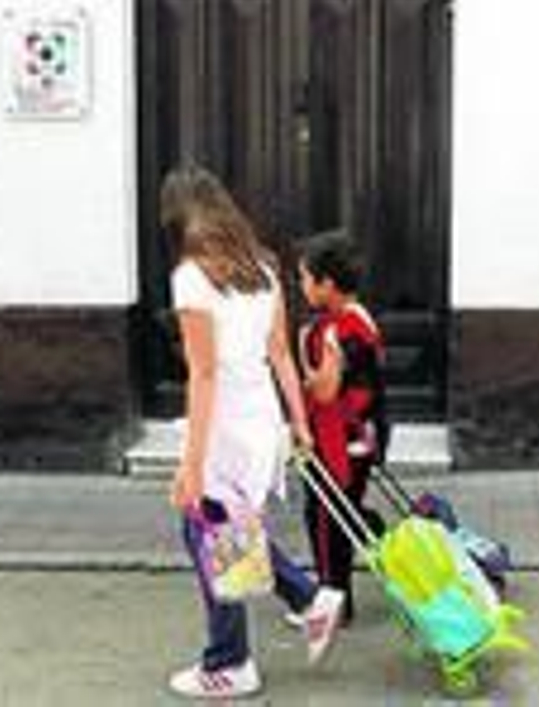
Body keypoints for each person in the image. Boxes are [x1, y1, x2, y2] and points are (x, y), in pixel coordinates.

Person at [161, 167, 346, 700]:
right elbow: (281, 355)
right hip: (260, 420)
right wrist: (300, 424)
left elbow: (204, 373)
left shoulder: (191, 278)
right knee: (228, 530)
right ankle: (310, 600)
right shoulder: (262, 269)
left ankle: (232, 660)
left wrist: (191, 463)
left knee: (209, 532)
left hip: (225, 426)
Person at [294, 229, 390, 626]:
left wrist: (303, 374)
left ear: (326, 284)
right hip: (363, 438)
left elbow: (327, 390)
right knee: (339, 514)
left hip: (336, 442)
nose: (300, 286)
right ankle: (367, 530)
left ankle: (333, 604)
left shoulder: (336, 329)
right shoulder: (361, 319)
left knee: (323, 520)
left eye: (303, 277)